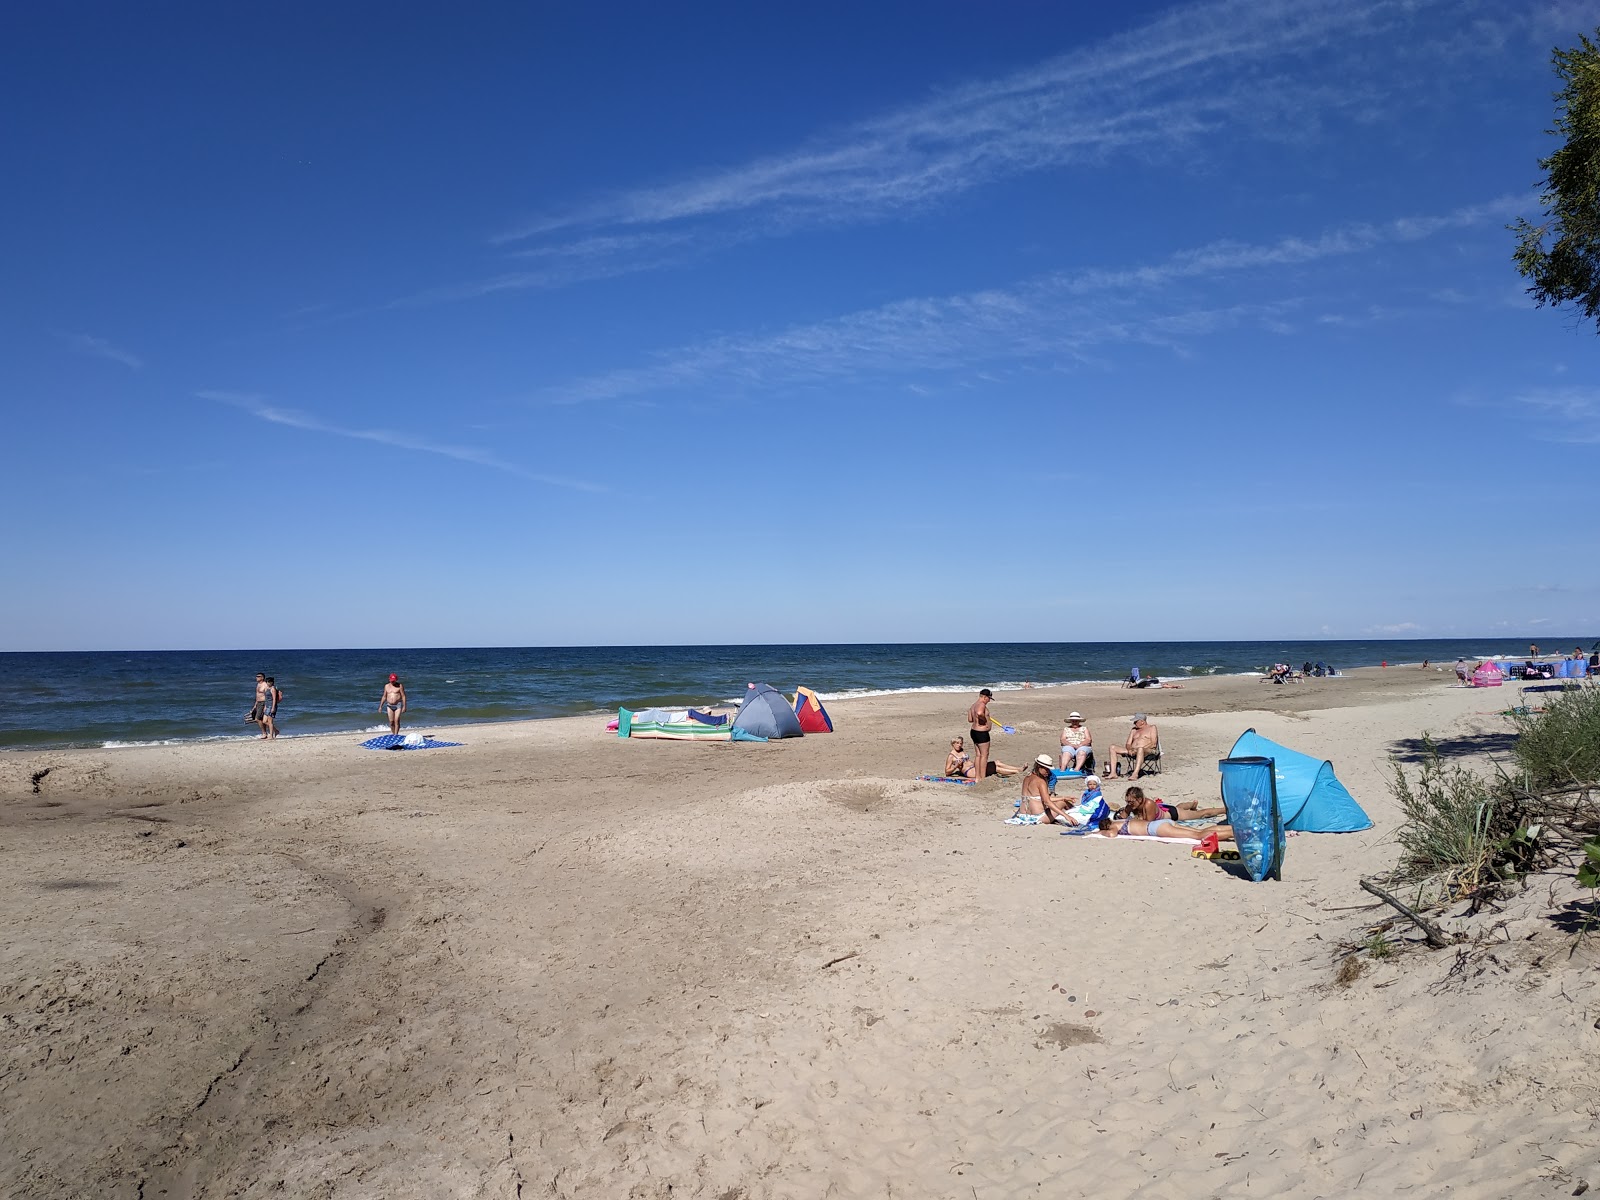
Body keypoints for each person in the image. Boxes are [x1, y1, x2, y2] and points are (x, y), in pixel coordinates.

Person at [1118, 785, 1226, 827]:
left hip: (1172, 814)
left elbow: (1148, 823)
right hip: (1165, 809)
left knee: (1201, 814)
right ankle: (1192, 804)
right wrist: (1124, 813)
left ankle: (1225, 809)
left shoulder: (1148, 804)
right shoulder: (1131, 806)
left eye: (1131, 802)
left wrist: (1132, 820)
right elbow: (1121, 818)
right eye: (1127, 802)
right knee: (1179, 806)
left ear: (1140, 799)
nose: (1129, 804)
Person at [1006, 755, 1065, 825]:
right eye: (1046, 769)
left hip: (1022, 815)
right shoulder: (1041, 781)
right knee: (1063, 802)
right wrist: (1066, 816)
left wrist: (1063, 797)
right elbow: (1047, 802)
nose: (1048, 772)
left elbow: (1040, 798)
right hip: (1037, 817)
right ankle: (1074, 815)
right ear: (1039, 767)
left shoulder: (1027, 778)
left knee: (1062, 800)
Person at [1109, 714, 1160, 779]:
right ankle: (1113, 773)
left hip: (1148, 750)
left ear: (1142, 721)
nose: (1134, 723)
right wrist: (1130, 749)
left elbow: (1153, 743)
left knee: (1140, 749)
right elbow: (1128, 744)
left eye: (1136, 721)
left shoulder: (1152, 728)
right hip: (1133, 751)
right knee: (1112, 747)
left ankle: (1135, 773)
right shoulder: (1134, 730)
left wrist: (1140, 749)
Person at [966, 688, 995, 783]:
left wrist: (979, 719)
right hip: (981, 733)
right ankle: (982, 778)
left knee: (978, 755)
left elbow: (970, 719)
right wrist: (984, 720)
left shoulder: (973, 705)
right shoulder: (981, 705)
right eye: (989, 698)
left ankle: (977, 777)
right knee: (984, 755)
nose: (989, 701)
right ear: (985, 697)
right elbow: (979, 713)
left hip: (974, 731)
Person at [248, 672, 273, 738]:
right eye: (256, 676)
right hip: (258, 703)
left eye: (258, 676)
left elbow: (267, 696)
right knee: (261, 719)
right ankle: (266, 733)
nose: (256, 677)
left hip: (263, 703)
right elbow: (257, 696)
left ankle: (265, 733)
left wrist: (265, 705)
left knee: (257, 718)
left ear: (262, 677)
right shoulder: (258, 684)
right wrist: (254, 706)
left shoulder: (265, 685)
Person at [264, 675, 282, 740]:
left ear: (272, 682)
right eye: (267, 682)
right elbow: (266, 698)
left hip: (271, 705)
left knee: (270, 721)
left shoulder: (273, 689)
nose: (268, 683)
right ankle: (276, 731)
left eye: (269, 682)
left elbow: (274, 699)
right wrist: (265, 706)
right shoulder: (266, 688)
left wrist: (273, 707)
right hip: (267, 705)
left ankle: (271, 735)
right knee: (264, 721)